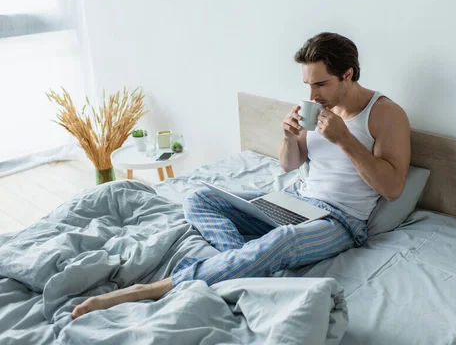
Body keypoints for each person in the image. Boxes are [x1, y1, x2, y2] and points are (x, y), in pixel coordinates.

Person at [71, 32, 411, 319]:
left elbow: (392, 188)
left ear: (348, 74)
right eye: (307, 85)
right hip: (294, 202)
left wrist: (346, 140)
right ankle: (243, 265)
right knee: (199, 197)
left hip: (339, 221)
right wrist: (289, 137)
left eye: (320, 84)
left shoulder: (385, 115)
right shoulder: (318, 108)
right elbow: (290, 165)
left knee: (282, 242)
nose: (311, 96)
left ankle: (152, 289)